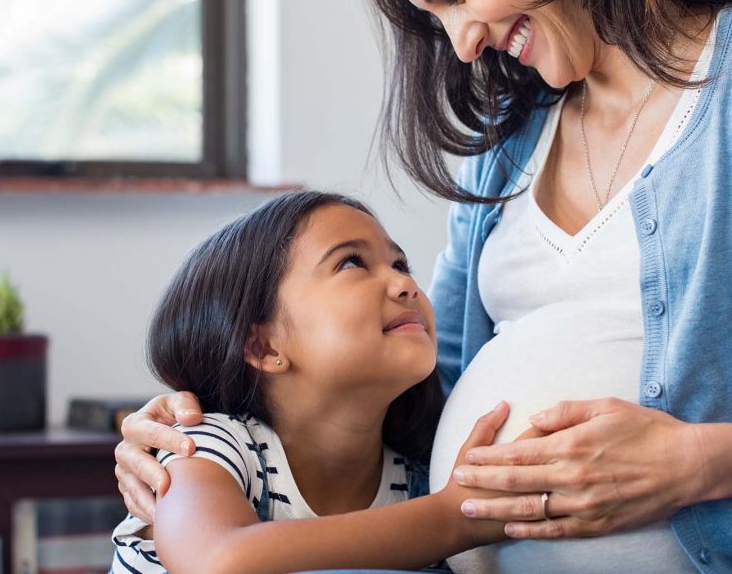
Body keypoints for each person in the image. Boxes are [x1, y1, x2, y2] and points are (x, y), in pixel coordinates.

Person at [115, 0, 732, 571]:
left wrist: (697, 463)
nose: (460, 44)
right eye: (433, 16)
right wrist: (194, 428)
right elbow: (416, 392)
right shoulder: (504, 151)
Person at [110, 190, 527, 573]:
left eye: (400, 264)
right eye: (351, 262)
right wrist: (454, 519)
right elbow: (216, 561)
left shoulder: (419, 482)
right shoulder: (209, 448)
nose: (405, 285)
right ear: (262, 347)